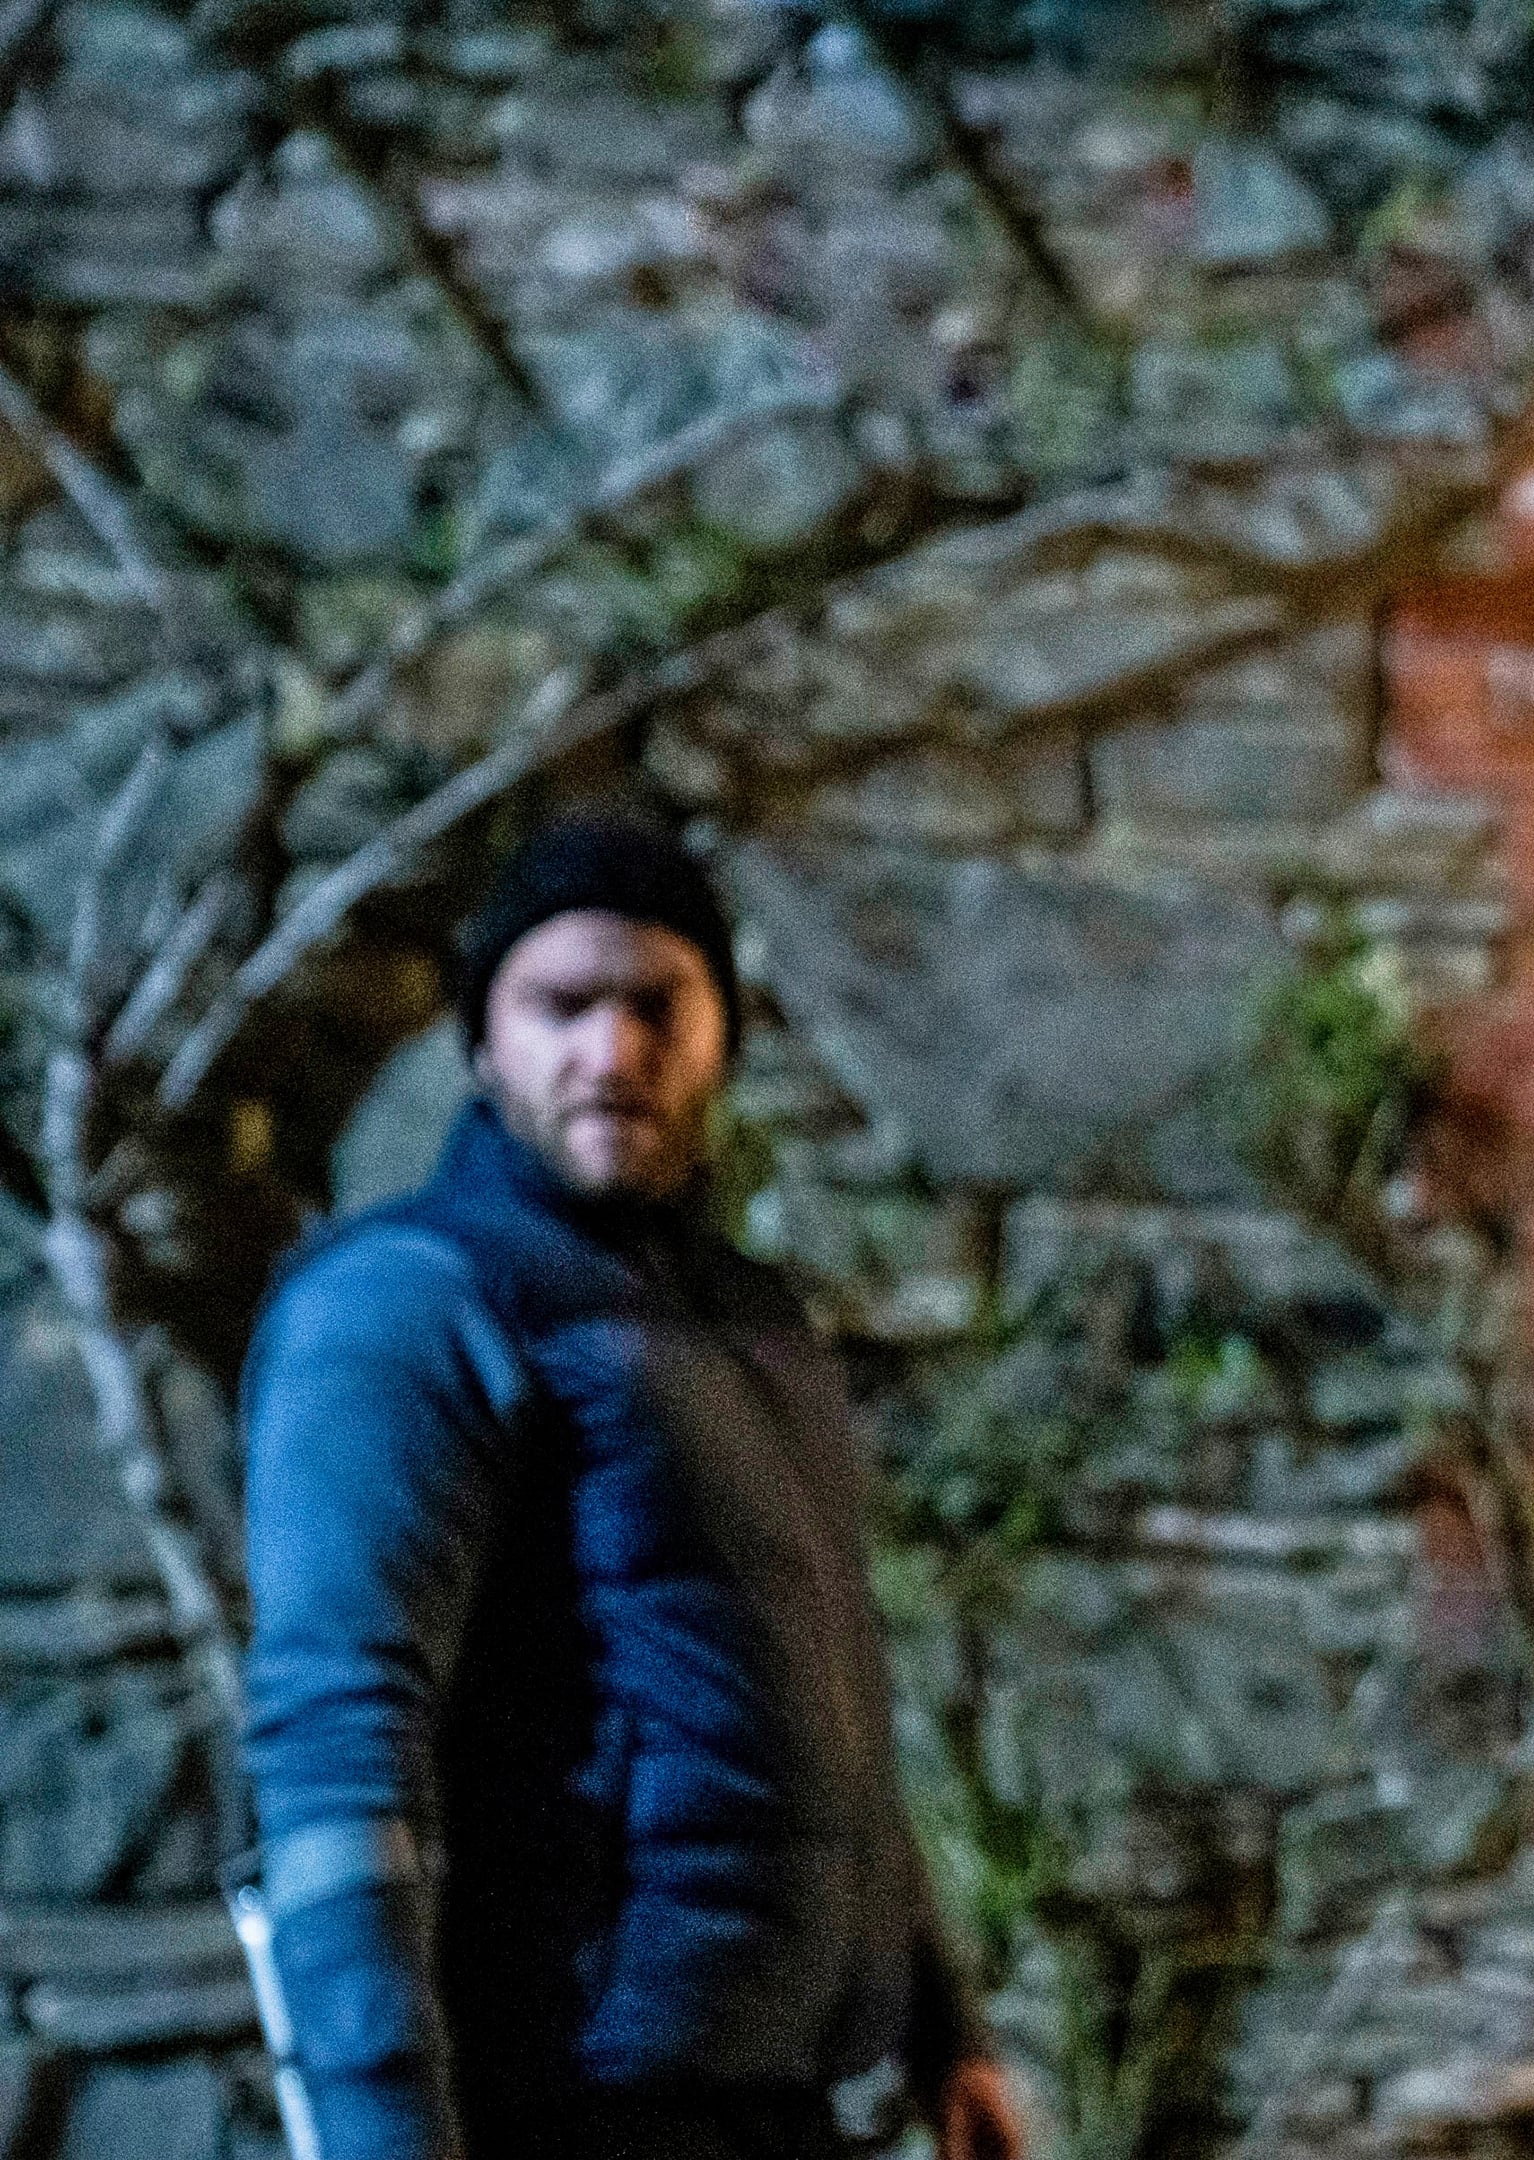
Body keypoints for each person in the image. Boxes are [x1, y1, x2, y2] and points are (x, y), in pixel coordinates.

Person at [240, 813, 1025, 2160]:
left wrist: (944, 2031)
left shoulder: (756, 1327)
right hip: (563, 2108)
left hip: (775, 2105)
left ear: (723, 1037)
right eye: (561, 1006)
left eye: (658, 1005)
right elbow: (335, 1735)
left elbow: (833, 1710)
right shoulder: (408, 1303)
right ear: (483, 1043)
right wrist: (378, 2127)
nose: (611, 1053)